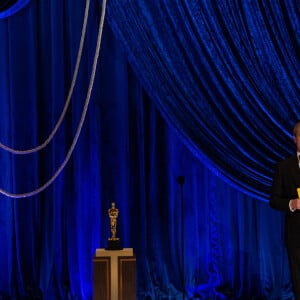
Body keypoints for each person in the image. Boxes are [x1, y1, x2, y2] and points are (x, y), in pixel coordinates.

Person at [270, 121, 300, 299]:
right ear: (294, 139)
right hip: (296, 235)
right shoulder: (284, 167)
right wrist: (292, 204)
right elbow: (273, 200)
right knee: (298, 280)